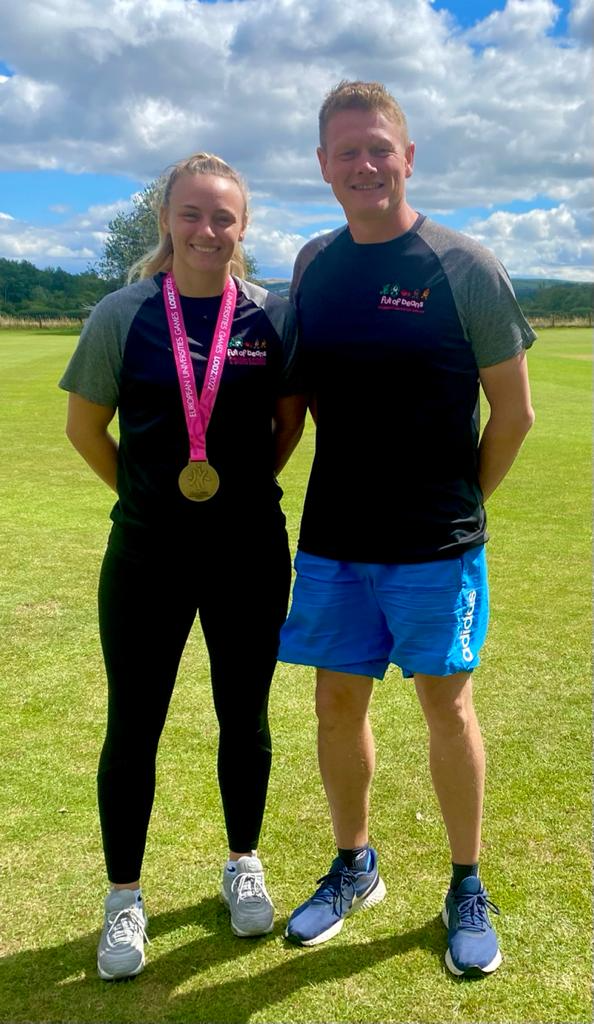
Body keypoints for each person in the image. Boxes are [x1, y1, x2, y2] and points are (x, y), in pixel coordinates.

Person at [278, 81, 535, 977]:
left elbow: (513, 414)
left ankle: (467, 883)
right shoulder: (313, 263)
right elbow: (297, 399)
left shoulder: (464, 265)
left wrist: (464, 502)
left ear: (409, 155)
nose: (365, 164)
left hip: (436, 545)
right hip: (335, 542)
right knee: (336, 705)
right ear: (323, 167)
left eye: (379, 147)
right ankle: (356, 866)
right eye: (346, 151)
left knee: (445, 706)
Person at [59, 152, 304, 980]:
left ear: (243, 227)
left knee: (248, 717)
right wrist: (149, 493)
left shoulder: (271, 315)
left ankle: (244, 862)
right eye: (192, 213)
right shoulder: (121, 314)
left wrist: (236, 493)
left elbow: (287, 423)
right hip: (147, 555)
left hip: (248, 555)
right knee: (135, 725)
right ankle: (124, 898)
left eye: (224, 217)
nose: (207, 230)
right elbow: (86, 429)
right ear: (166, 218)